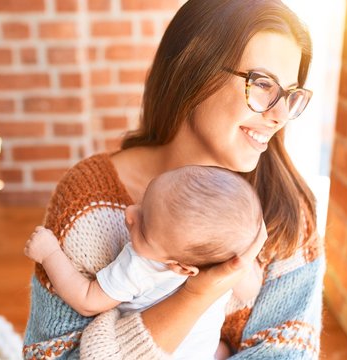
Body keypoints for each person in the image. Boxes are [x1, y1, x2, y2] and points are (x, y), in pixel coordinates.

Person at [23, 0, 325, 359]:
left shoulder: (286, 212)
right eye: (262, 84)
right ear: (193, 70)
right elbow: (49, 356)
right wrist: (196, 296)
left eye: (289, 95)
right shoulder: (89, 204)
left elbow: (289, 353)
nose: (279, 116)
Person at [24, 166, 266, 360]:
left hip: (149, 352)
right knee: (222, 349)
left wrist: (50, 254)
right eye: (144, 201)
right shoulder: (223, 269)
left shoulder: (140, 266)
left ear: (181, 267)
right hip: (201, 353)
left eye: (144, 228)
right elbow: (251, 290)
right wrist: (244, 255)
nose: (129, 212)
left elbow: (88, 300)